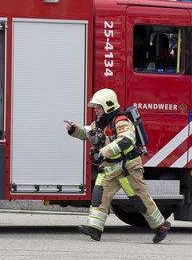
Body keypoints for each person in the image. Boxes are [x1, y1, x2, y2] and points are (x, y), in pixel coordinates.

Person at [66, 89, 171, 243]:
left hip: (128, 169)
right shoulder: (100, 123)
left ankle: (161, 226)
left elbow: (126, 139)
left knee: (140, 200)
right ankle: (95, 228)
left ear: (107, 106)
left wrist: (105, 151)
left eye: (98, 107)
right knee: (99, 195)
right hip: (110, 169)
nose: (95, 110)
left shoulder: (120, 121)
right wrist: (74, 129)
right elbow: (90, 133)